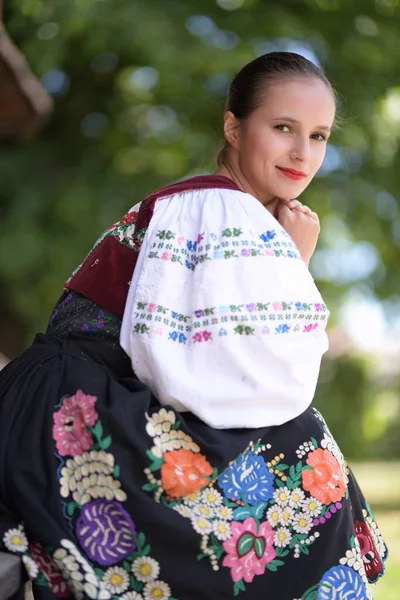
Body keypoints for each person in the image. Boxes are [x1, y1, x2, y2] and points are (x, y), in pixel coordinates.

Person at [0, 52, 388, 600]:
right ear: (233, 125)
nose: (303, 153)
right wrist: (293, 269)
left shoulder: (214, 205)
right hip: (77, 404)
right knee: (306, 446)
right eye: (283, 128)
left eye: (319, 136)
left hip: (58, 393)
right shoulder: (220, 208)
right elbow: (252, 376)